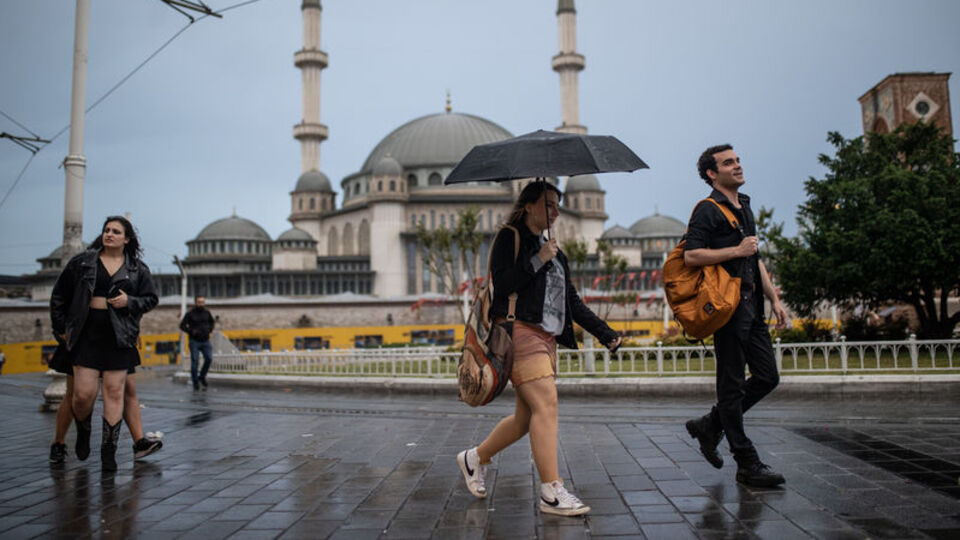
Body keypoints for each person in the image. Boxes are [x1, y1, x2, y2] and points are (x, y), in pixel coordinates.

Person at [456, 181, 622, 517]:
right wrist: (537, 259)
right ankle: (551, 491)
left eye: (557, 205)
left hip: (545, 337)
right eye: (549, 204)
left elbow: (571, 301)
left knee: (525, 418)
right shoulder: (510, 237)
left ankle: (475, 458)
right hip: (519, 332)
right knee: (547, 404)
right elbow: (503, 283)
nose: (556, 212)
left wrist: (606, 334)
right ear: (528, 205)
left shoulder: (554, 250)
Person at [682, 144, 788, 487]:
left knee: (767, 376)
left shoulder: (744, 205)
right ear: (712, 173)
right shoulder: (707, 210)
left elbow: (753, 257)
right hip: (726, 309)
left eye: (738, 160)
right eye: (729, 163)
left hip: (752, 307)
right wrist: (735, 250)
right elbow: (692, 256)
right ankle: (746, 462)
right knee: (731, 387)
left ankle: (710, 425)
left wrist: (774, 298)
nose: (737, 166)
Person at [50, 216, 158, 472]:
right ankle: (83, 428)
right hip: (85, 335)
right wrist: (60, 328)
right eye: (106, 230)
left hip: (118, 337)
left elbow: (151, 298)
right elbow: (59, 295)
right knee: (82, 394)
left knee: (114, 392)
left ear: (126, 239)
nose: (109, 234)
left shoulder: (137, 268)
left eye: (116, 231)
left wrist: (130, 301)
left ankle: (108, 451)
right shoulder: (82, 262)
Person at [47, 345, 163, 464]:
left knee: (128, 389)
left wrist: (132, 334)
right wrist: (61, 333)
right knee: (76, 393)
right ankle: (59, 442)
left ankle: (138, 442)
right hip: (84, 341)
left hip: (118, 340)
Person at [179, 295, 215, 390]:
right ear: (196, 303)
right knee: (195, 361)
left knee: (209, 358)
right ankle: (195, 381)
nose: (201, 304)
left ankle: (202, 377)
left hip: (205, 340)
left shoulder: (207, 313)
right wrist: (191, 331)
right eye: (199, 302)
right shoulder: (190, 313)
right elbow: (182, 325)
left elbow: (212, 322)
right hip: (194, 341)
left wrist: (209, 329)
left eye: (203, 302)